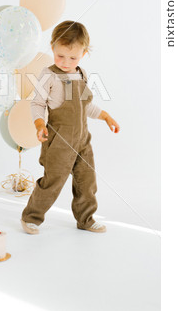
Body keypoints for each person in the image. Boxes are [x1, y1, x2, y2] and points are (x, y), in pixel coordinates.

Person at [21, 20, 120, 234]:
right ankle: (31, 217)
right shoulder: (49, 75)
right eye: (60, 55)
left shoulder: (81, 74)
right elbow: (37, 104)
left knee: (87, 181)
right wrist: (39, 124)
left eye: (73, 57)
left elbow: (86, 106)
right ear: (53, 47)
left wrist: (105, 116)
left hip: (83, 140)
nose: (66, 62)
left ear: (83, 53)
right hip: (59, 140)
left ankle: (86, 218)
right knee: (53, 181)